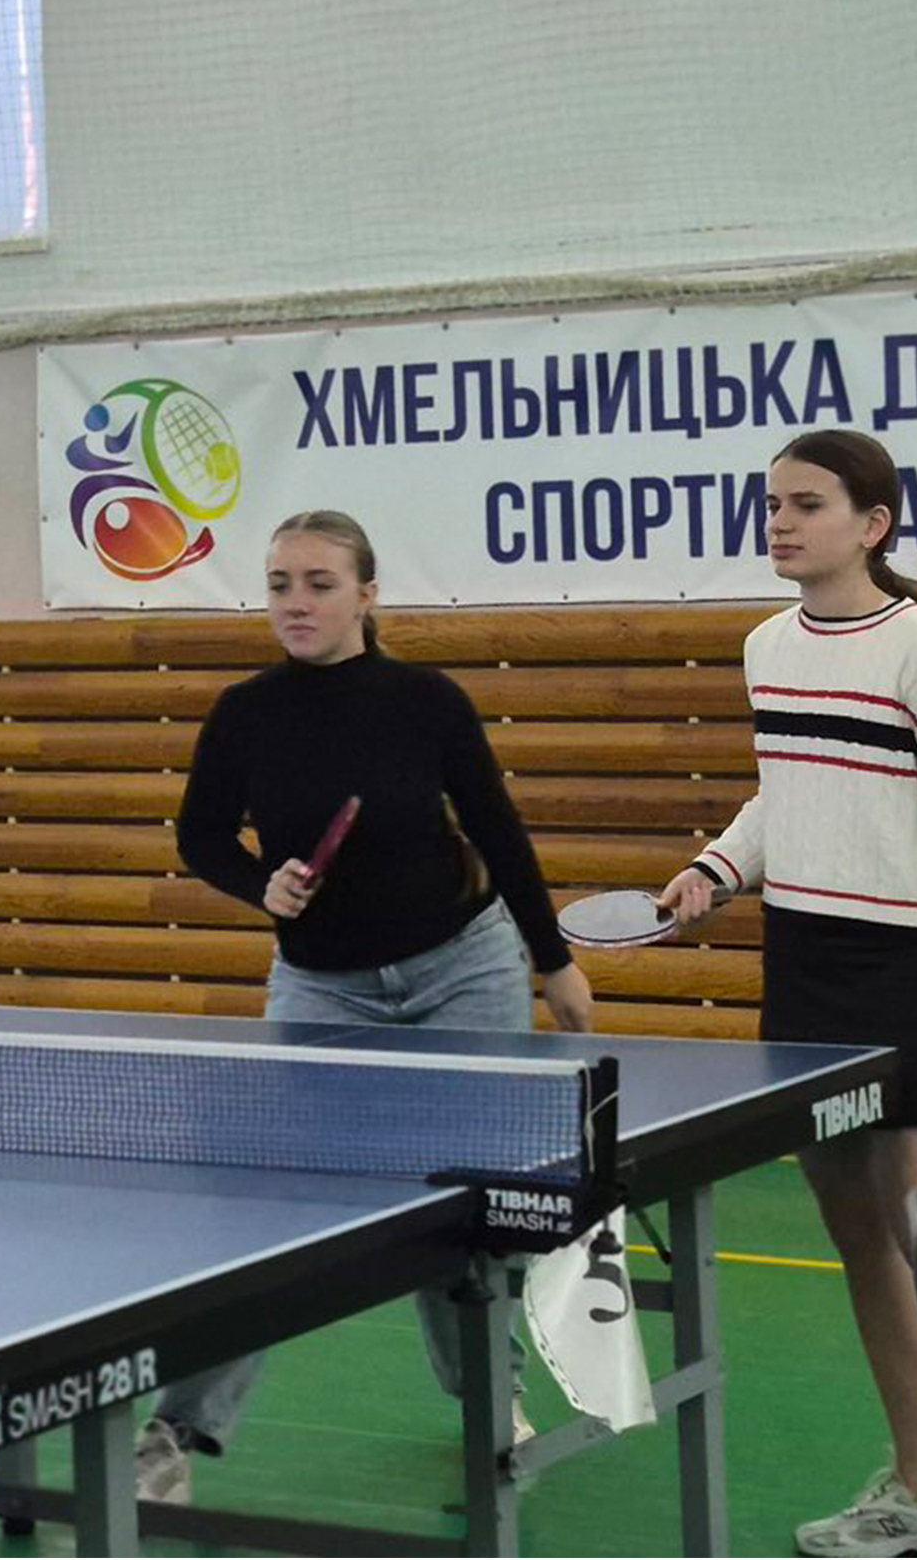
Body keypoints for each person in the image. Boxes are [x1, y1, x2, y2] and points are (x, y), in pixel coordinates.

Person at [656, 431, 917, 1559]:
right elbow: (787, 789)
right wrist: (719, 865)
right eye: (772, 504)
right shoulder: (766, 646)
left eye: (806, 504)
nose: (779, 522)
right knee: (859, 1245)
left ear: (872, 524)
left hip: (912, 977)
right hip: (805, 975)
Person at [133, 510, 593, 1507]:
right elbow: (200, 836)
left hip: (460, 970)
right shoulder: (244, 712)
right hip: (321, 986)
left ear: (366, 595)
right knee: (270, 1206)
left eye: (318, 583)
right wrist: (259, 884)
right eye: (279, 585)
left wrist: (553, 961)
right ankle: (175, 1430)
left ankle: (490, 1398)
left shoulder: (425, 701)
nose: (295, 603)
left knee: (466, 1203)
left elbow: (496, 828)